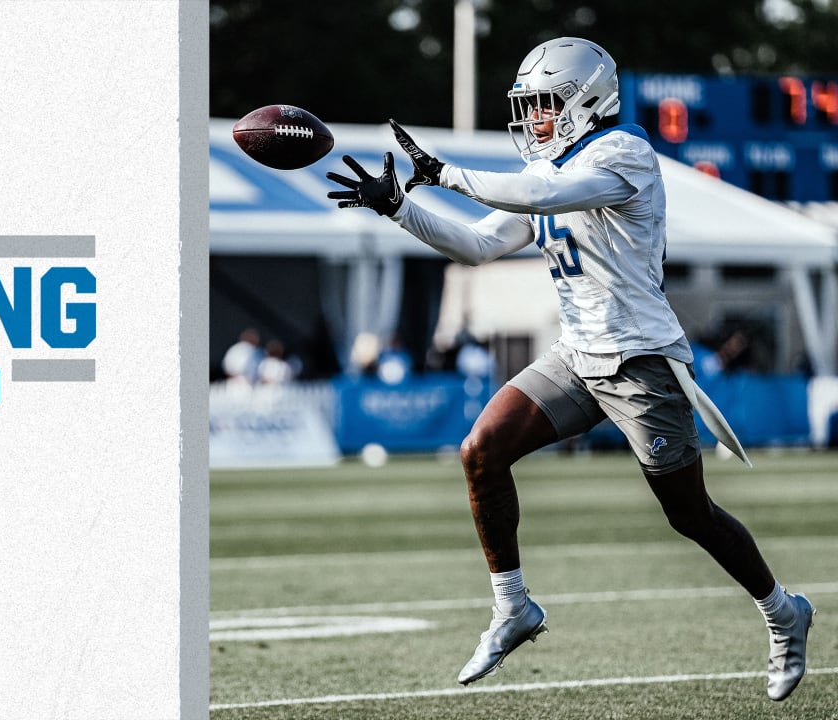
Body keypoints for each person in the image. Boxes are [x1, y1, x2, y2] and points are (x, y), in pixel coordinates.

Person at [326, 37, 814, 701]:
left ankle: (783, 611)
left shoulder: (624, 152)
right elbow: (477, 244)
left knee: (689, 514)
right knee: (481, 452)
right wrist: (399, 207)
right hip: (577, 355)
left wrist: (443, 174)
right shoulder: (554, 168)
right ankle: (513, 607)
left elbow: (532, 196)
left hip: (639, 359)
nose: (534, 120)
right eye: (527, 106)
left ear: (588, 101)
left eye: (545, 105)